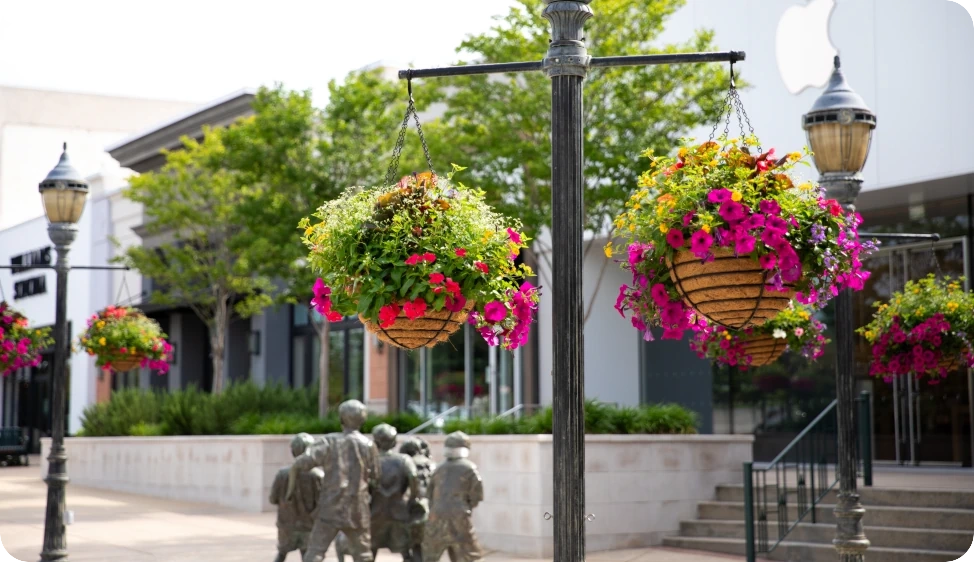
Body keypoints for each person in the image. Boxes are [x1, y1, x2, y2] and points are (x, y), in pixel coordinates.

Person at [288, 400, 380, 562]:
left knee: (316, 551)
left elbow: (301, 463)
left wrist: (290, 491)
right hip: (357, 508)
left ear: (341, 419)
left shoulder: (329, 441)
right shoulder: (369, 445)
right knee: (363, 554)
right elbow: (375, 478)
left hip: (330, 506)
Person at [422, 431, 484, 562]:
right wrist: (466, 506)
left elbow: (429, 494)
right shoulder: (469, 468)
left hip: (436, 514)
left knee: (431, 553)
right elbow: (476, 495)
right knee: (470, 552)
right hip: (459, 514)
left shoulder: (438, 468)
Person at [369, 424, 424, 561]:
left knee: (371, 550)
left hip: (374, 511)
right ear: (394, 442)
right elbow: (414, 478)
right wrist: (412, 499)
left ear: (375, 442)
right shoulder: (404, 460)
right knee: (405, 550)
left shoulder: (369, 461)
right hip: (399, 510)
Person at [269, 433, 322, 562]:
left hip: (286, 523)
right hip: (308, 524)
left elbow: (272, 499)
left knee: (282, 553)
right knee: (307, 555)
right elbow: (322, 502)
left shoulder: (282, 475)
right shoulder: (317, 476)